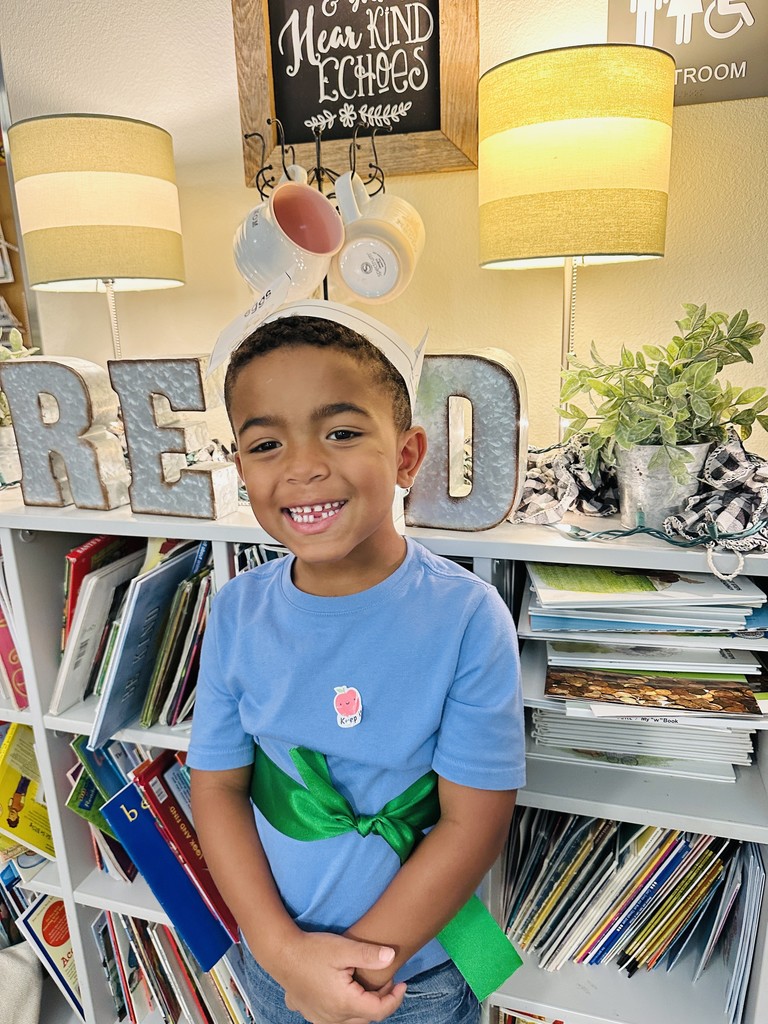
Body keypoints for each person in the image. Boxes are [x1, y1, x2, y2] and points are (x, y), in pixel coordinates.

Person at [188, 303, 526, 1024]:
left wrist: (355, 971)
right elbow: (216, 789)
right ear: (240, 465)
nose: (305, 467)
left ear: (406, 456)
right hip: (276, 960)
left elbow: (475, 823)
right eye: (265, 445)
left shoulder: (468, 619)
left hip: (410, 977)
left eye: (341, 433)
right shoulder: (236, 612)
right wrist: (285, 958)